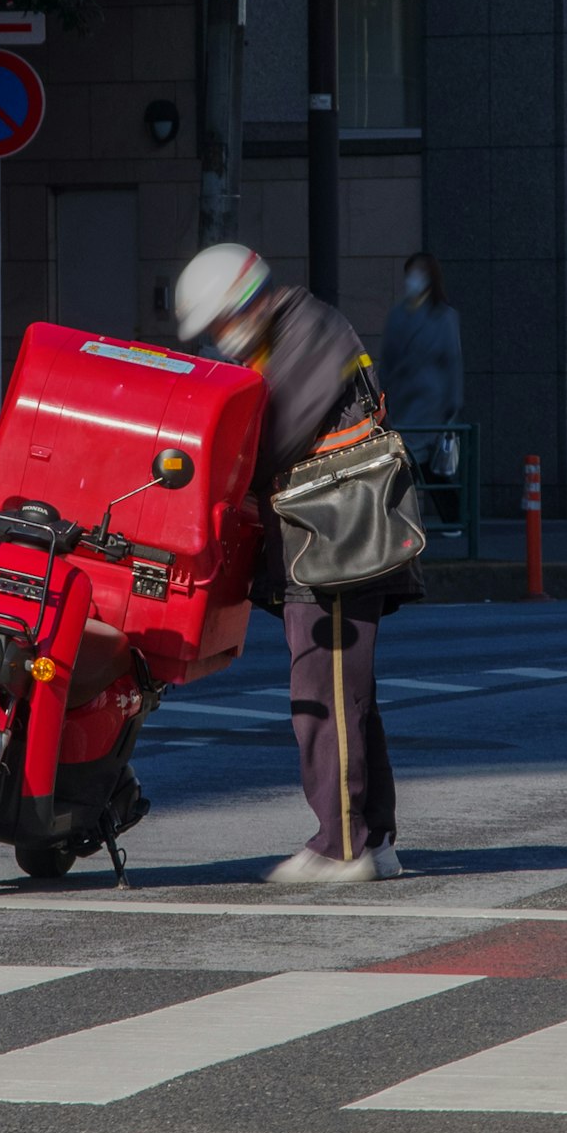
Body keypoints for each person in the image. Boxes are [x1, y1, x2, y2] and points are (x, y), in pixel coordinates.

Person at [177, 241, 415, 885]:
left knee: (323, 690)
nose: (221, 338)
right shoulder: (284, 336)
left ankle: (341, 845)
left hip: (335, 537)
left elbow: (267, 441)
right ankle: (377, 836)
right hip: (330, 535)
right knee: (349, 693)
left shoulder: (305, 332)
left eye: (222, 322)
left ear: (249, 301)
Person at [374, 251, 463, 524]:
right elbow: (387, 358)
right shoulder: (398, 314)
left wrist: (452, 403)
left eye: (419, 274)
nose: (413, 280)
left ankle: (451, 519)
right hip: (402, 398)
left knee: (427, 463)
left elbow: (452, 361)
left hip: (430, 403)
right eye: (410, 274)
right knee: (409, 461)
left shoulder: (444, 316)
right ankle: (407, 521)